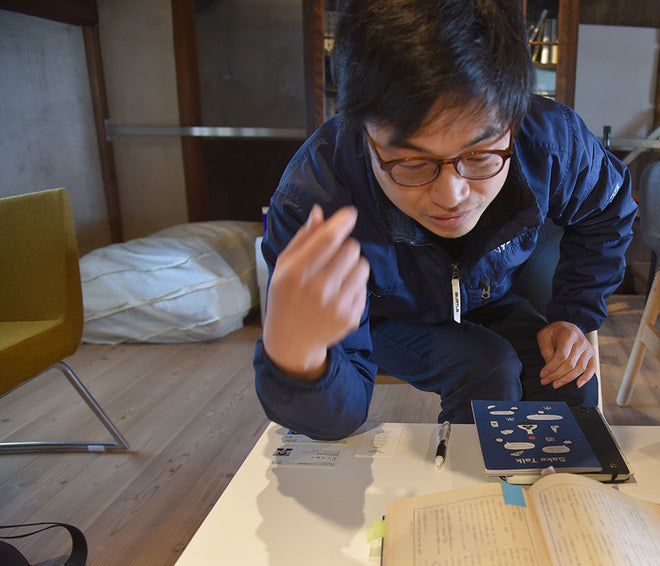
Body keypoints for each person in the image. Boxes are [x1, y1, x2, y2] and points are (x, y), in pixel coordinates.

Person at [253, 0, 636, 440]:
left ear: (514, 118)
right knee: (487, 367)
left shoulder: (550, 141)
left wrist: (574, 315)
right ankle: (469, 503)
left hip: (491, 295)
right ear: (361, 130)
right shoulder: (315, 199)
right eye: (412, 163)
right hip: (383, 312)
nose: (451, 196)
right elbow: (339, 415)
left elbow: (608, 210)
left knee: (568, 378)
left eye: (480, 155)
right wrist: (294, 354)